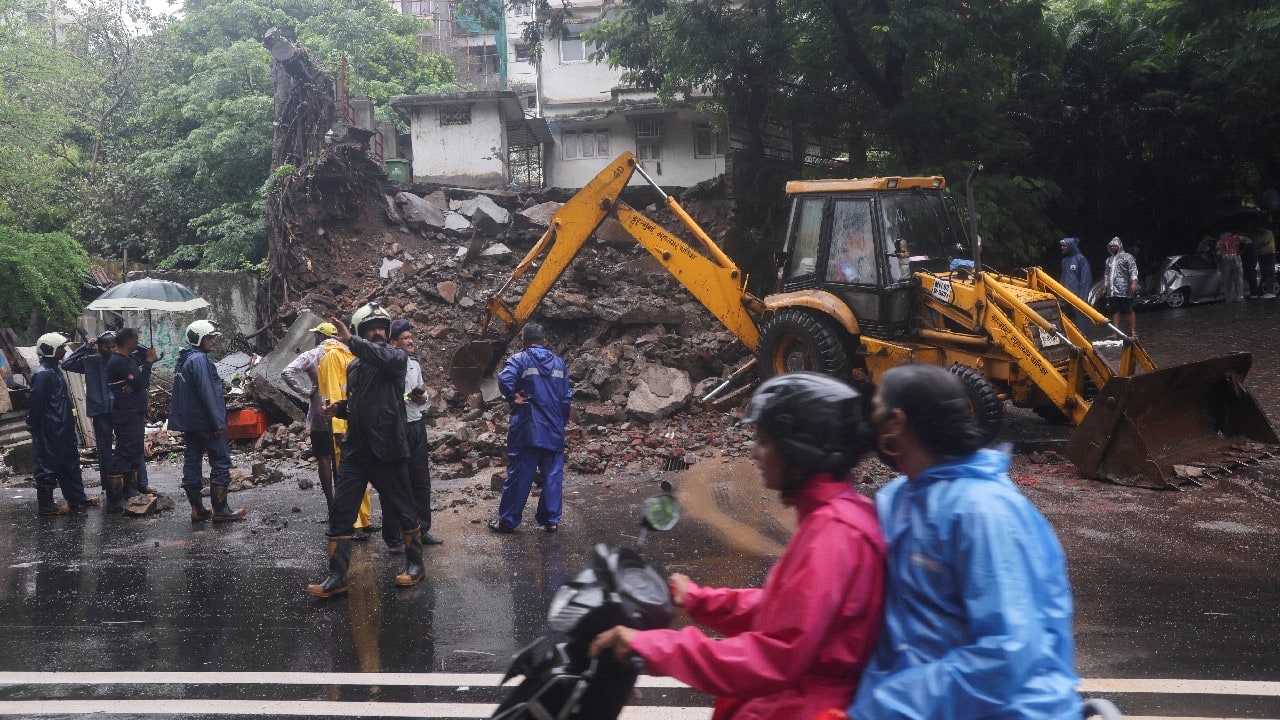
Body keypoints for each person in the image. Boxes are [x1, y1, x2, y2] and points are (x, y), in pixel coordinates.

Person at [588, 372, 885, 719]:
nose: (755, 454)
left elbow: (774, 655)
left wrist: (653, 646)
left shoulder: (834, 535)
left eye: (765, 442)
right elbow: (788, 609)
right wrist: (701, 600)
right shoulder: (835, 517)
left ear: (799, 452)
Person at [847, 364, 1080, 719]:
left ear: (895, 423)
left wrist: (882, 707)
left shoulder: (984, 513)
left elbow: (1008, 653)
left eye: (876, 410)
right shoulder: (897, 499)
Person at [307, 303, 425, 599]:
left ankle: (415, 565)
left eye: (382, 328)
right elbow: (359, 403)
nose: (378, 333)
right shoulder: (355, 367)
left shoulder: (397, 358)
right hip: (357, 450)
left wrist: (351, 341)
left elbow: (381, 356)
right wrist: (340, 409)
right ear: (362, 331)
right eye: (370, 328)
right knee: (342, 511)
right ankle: (337, 576)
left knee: (404, 509)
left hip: (389, 448)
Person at [489, 322, 572, 534]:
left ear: (523, 341)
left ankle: (507, 521)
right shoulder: (559, 364)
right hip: (553, 429)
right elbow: (566, 398)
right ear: (543, 341)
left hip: (528, 429)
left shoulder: (520, 359)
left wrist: (512, 396)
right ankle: (551, 520)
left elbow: (504, 378)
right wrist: (560, 423)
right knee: (553, 476)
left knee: (519, 476)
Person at [169, 320, 247, 523]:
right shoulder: (200, 361)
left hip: (190, 423)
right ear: (199, 339)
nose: (213, 341)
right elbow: (207, 392)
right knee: (220, 462)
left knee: (192, 462)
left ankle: (198, 509)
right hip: (206, 422)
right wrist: (218, 422)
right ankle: (220, 510)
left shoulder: (184, 359)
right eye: (210, 338)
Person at [381, 319, 442, 552]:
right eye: (405, 338)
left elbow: (423, 391)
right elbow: (388, 398)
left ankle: (421, 529)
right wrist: (407, 398)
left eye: (410, 337)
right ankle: (394, 537)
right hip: (396, 428)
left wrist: (422, 398)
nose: (410, 341)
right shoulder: (386, 366)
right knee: (396, 482)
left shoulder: (415, 364)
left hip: (416, 426)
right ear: (393, 342)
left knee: (420, 480)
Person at [316, 321, 375, 540]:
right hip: (344, 425)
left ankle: (364, 520)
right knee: (348, 477)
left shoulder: (352, 355)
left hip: (357, 423)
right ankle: (353, 524)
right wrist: (338, 429)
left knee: (363, 475)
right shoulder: (333, 356)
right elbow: (333, 392)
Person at [27, 332, 98, 515]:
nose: (63, 350)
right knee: (47, 465)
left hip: (63, 426)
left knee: (70, 462)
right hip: (49, 428)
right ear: (50, 350)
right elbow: (36, 404)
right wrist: (34, 425)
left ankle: (76, 498)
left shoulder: (54, 371)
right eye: (60, 348)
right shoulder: (43, 374)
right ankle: (46, 505)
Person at [281, 322, 346, 508]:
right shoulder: (344, 353)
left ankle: (331, 503)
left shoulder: (312, 355)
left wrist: (305, 391)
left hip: (320, 413)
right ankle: (347, 503)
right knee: (342, 458)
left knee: (324, 458)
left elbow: (288, 372)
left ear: (319, 337)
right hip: (343, 413)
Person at [105, 328, 156, 513]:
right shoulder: (118, 362)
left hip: (134, 411)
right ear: (129, 341)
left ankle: (130, 491)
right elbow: (141, 383)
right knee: (123, 452)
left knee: (134, 450)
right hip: (125, 413)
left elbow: (141, 384)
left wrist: (137, 384)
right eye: (136, 340)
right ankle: (115, 498)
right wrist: (149, 363)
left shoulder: (128, 360)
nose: (137, 343)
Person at [1102, 237, 1139, 339]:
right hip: (1112, 291)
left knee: (1129, 310)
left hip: (1124, 289)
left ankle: (1133, 332)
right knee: (1115, 311)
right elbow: (1106, 274)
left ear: (1119, 246)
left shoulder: (1127, 257)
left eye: (1115, 245)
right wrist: (1105, 287)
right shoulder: (1109, 260)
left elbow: (1133, 270)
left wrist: (1134, 282)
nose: (1113, 247)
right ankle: (1115, 332)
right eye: (1111, 246)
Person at [1058, 236, 1092, 330]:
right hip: (1065, 295)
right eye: (1062, 246)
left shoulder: (1081, 259)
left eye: (1065, 246)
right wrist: (1060, 295)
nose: (1062, 248)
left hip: (1077, 296)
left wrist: (1083, 297)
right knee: (1065, 320)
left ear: (1070, 246)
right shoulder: (1064, 261)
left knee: (1081, 319)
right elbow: (1062, 278)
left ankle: (1084, 339)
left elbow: (1085, 279)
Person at [1216, 230, 1246, 303]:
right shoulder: (1234, 238)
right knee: (1236, 280)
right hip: (1234, 262)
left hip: (1230, 263)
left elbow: (1218, 254)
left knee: (1230, 281)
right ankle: (1238, 297)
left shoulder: (1221, 242)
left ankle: (1230, 298)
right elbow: (1247, 240)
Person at [1250, 217, 1276, 299]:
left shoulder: (1268, 233)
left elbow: (1262, 242)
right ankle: (1263, 291)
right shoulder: (1257, 234)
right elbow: (1255, 243)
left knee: (1270, 273)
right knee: (1264, 273)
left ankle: (1270, 292)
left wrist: (1257, 245)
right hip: (1261, 255)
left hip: (1269, 254)